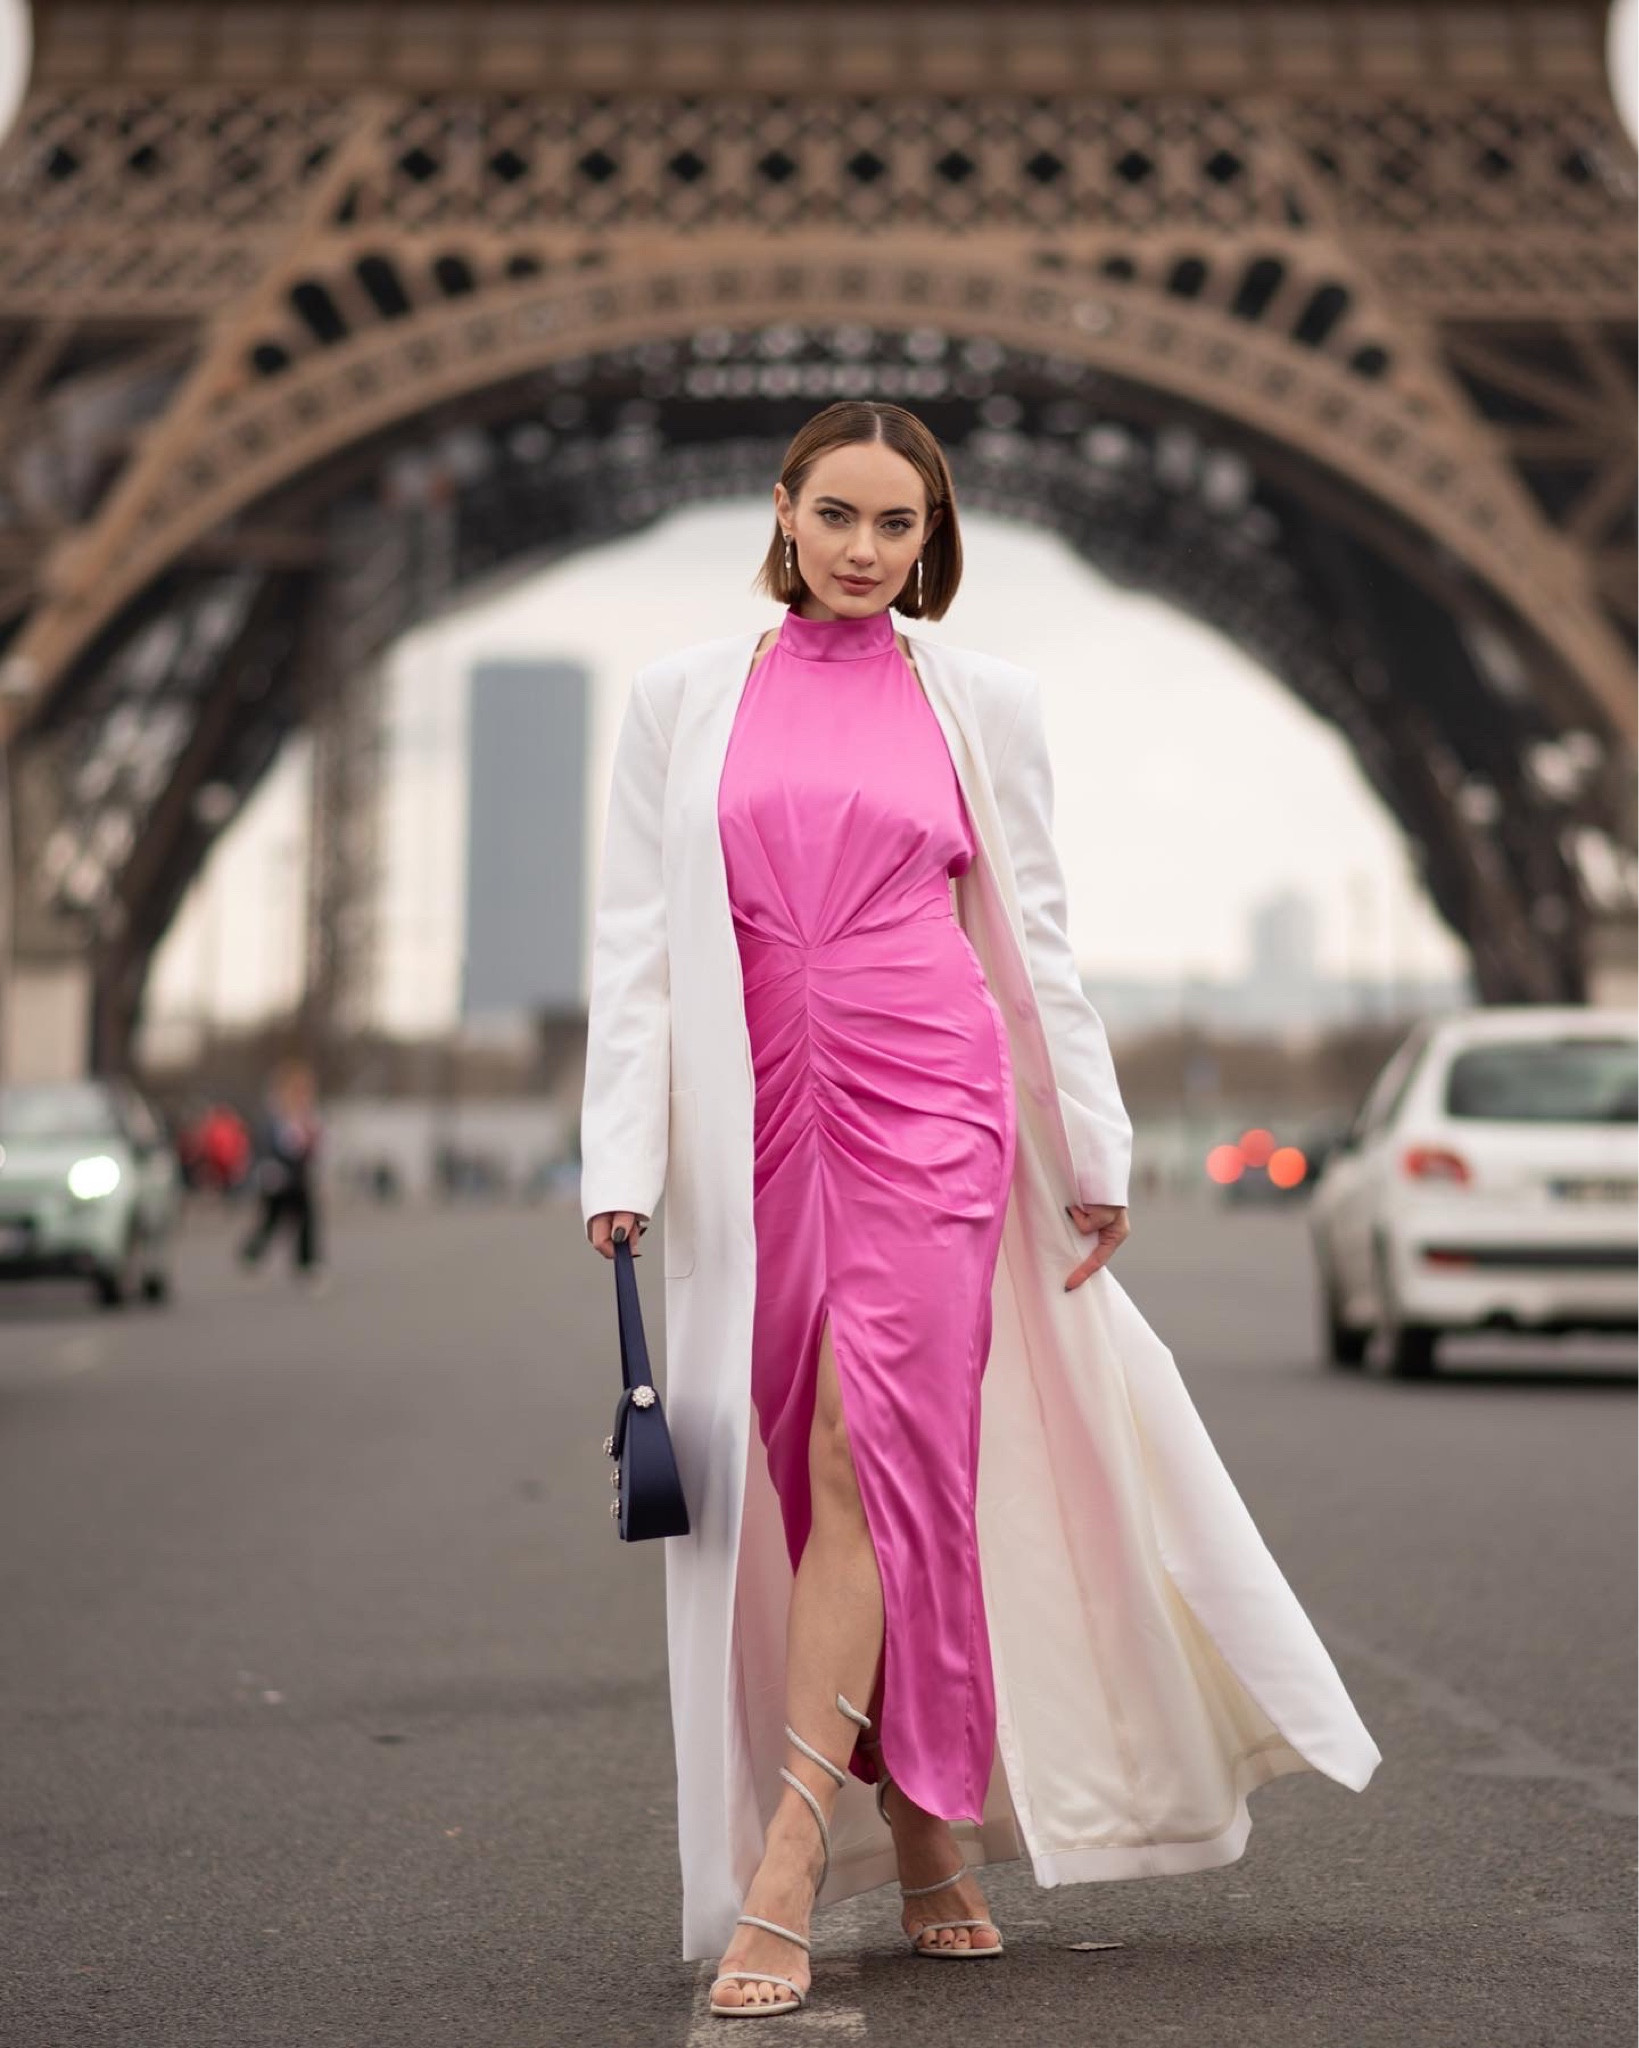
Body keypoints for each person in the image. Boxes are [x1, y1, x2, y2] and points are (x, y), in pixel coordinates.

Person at [581, 401, 1380, 2021]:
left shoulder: (982, 702)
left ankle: (789, 1859)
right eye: (841, 516)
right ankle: (925, 1816)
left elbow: (1031, 933)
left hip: (929, 1094)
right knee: (836, 1473)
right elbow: (633, 951)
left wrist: (1090, 1142)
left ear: (930, 537)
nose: (868, 549)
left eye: (899, 525)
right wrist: (618, 1164)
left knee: (860, 1451)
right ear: (784, 512)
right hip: (763, 1114)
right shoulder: (673, 700)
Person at [238, 1056, 325, 1286]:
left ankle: (307, 1262)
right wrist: (265, 1167)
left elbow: (310, 1147)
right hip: (277, 1174)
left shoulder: (307, 1116)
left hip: (299, 1175)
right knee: (272, 1218)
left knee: (307, 1217)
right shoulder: (275, 1114)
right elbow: (264, 1143)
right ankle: (252, 1252)